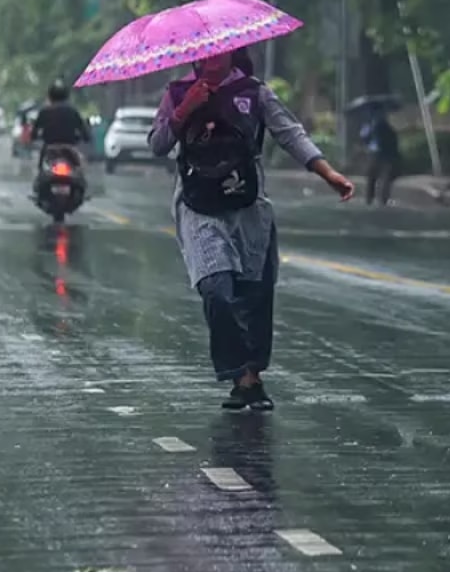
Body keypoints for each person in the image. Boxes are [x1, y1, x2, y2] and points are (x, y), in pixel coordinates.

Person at [149, 50, 354, 410]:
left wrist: (327, 173)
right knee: (216, 289)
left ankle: (251, 378)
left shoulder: (253, 92)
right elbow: (158, 144)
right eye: (204, 55)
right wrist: (186, 109)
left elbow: (290, 134)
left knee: (254, 294)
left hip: (248, 208)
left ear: (233, 53)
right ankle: (236, 370)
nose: (211, 62)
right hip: (200, 208)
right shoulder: (178, 92)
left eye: (219, 55)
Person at [31, 79, 91, 164]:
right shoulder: (73, 111)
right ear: (67, 96)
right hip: (70, 148)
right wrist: (85, 137)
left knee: (42, 170)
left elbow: (34, 133)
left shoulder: (44, 111)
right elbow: (84, 132)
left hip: (49, 148)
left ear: (50, 96)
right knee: (79, 171)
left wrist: (35, 137)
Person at [361, 110, 399, 206]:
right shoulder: (384, 126)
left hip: (374, 154)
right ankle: (383, 199)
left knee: (372, 179)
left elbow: (363, 138)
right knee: (384, 178)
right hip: (383, 155)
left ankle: (370, 199)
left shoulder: (369, 126)